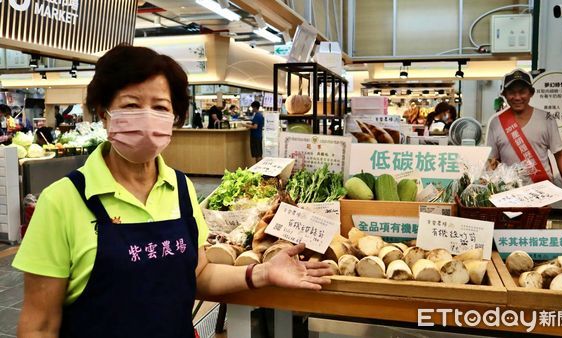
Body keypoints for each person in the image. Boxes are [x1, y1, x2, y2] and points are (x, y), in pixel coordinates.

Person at [12, 45, 332, 338]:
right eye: (131, 104)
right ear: (102, 110)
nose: (148, 117)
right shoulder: (62, 201)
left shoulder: (180, 188)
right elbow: (39, 326)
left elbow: (199, 275)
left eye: (161, 107)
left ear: (174, 117)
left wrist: (262, 273)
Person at [486, 69, 562, 187]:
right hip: (508, 192)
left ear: (531, 93)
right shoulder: (496, 123)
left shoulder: (547, 119)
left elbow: (560, 154)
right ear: (504, 94)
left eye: (522, 92)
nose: (517, 97)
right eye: (511, 92)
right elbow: (492, 161)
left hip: (543, 190)